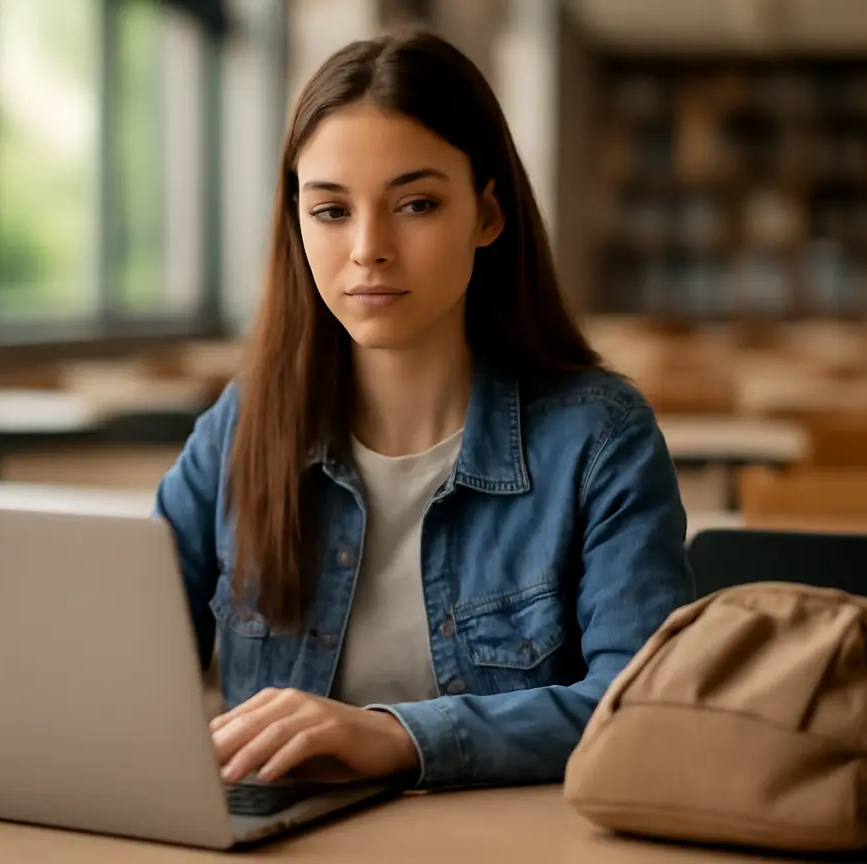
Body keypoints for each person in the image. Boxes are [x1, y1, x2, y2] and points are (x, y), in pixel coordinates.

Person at [153, 30, 693, 791]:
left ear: (487, 214)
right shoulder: (241, 428)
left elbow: (641, 708)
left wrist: (400, 738)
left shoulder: (600, 439)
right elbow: (121, 674)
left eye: (416, 203)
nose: (368, 248)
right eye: (331, 211)